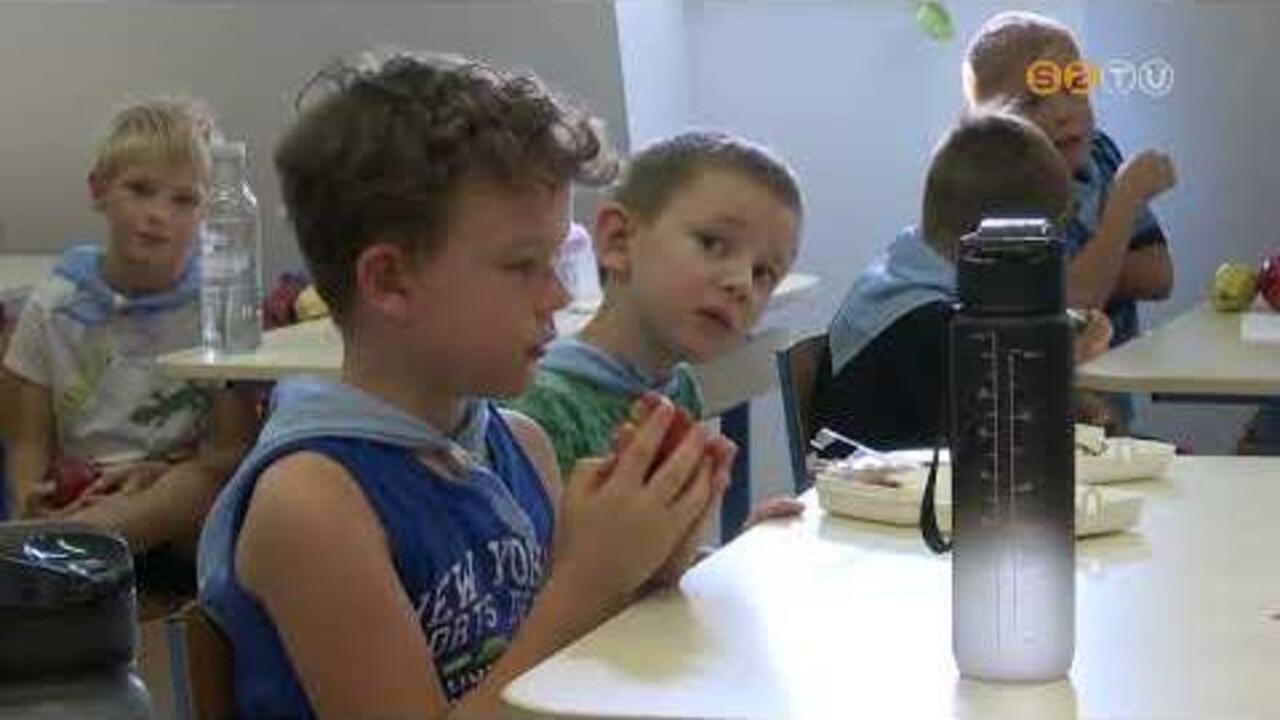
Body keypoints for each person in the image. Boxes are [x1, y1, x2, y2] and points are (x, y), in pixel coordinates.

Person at [198, 53, 734, 719]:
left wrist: (654, 563)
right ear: (390, 281)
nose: (558, 295)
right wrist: (589, 582)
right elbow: (560, 628)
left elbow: (557, 655)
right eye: (523, 265)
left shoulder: (522, 445)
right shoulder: (312, 505)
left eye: (555, 259)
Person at [1, 98, 259, 582]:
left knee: (200, 486)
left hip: (174, 512)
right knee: (30, 509)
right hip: (79, 493)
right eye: (140, 190)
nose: (158, 214)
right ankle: (53, 542)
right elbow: (27, 439)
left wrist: (162, 475)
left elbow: (233, 451)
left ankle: (56, 550)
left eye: (184, 200)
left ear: (208, 211)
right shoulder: (54, 304)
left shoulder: (218, 305)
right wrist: (29, 494)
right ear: (98, 190)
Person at [505, 130, 805, 528]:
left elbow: (652, 556)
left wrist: (739, 548)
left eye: (763, 272)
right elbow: (552, 568)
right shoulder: (543, 409)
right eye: (713, 243)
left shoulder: (680, 388)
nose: (742, 283)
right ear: (619, 240)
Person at [814, 111, 1112, 451]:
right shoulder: (932, 328)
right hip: (891, 482)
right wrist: (1070, 360)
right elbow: (1017, 431)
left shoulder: (901, 273)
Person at [963, 10, 1177, 428]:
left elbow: (1159, 276)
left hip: (1111, 413)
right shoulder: (1001, 192)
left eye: (1075, 87)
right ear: (990, 128)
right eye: (1032, 102)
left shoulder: (1100, 155)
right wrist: (1123, 202)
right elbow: (1067, 307)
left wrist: (1082, 273)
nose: (1064, 112)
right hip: (1039, 421)